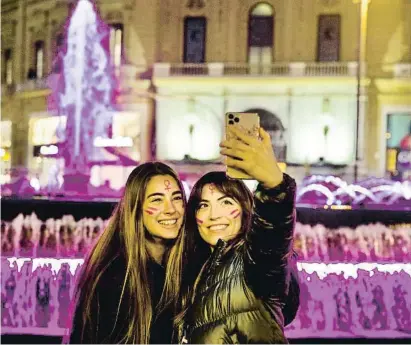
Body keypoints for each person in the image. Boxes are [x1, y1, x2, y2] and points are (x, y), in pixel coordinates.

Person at [176, 126, 298, 344]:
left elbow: (272, 232)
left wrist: (273, 185)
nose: (214, 215)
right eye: (204, 205)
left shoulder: (253, 261)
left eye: (226, 202)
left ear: (245, 210)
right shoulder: (200, 269)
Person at [64, 162, 186, 344]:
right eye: (157, 199)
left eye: (176, 198)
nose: (171, 210)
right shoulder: (115, 276)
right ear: (135, 209)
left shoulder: (182, 265)